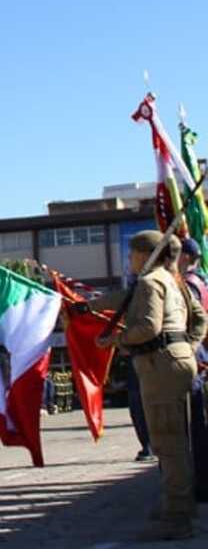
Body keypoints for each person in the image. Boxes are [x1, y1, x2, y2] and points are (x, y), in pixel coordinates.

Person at [87, 230, 207, 541]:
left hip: (160, 366)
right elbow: (199, 318)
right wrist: (187, 345)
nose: (129, 260)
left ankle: (177, 516)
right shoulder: (173, 280)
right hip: (176, 362)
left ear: (144, 253)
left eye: (131, 254)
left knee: (169, 443)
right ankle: (180, 506)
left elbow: (148, 327)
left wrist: (115, 339)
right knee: (178, 439)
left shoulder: (151, 281)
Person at [178, 237, 208, 502]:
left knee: (192, 425)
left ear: (186, 257)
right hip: (198, 354)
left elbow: (189, 321)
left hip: (191, 355)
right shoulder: (202, 279)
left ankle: (199, 484)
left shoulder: (189, 284)